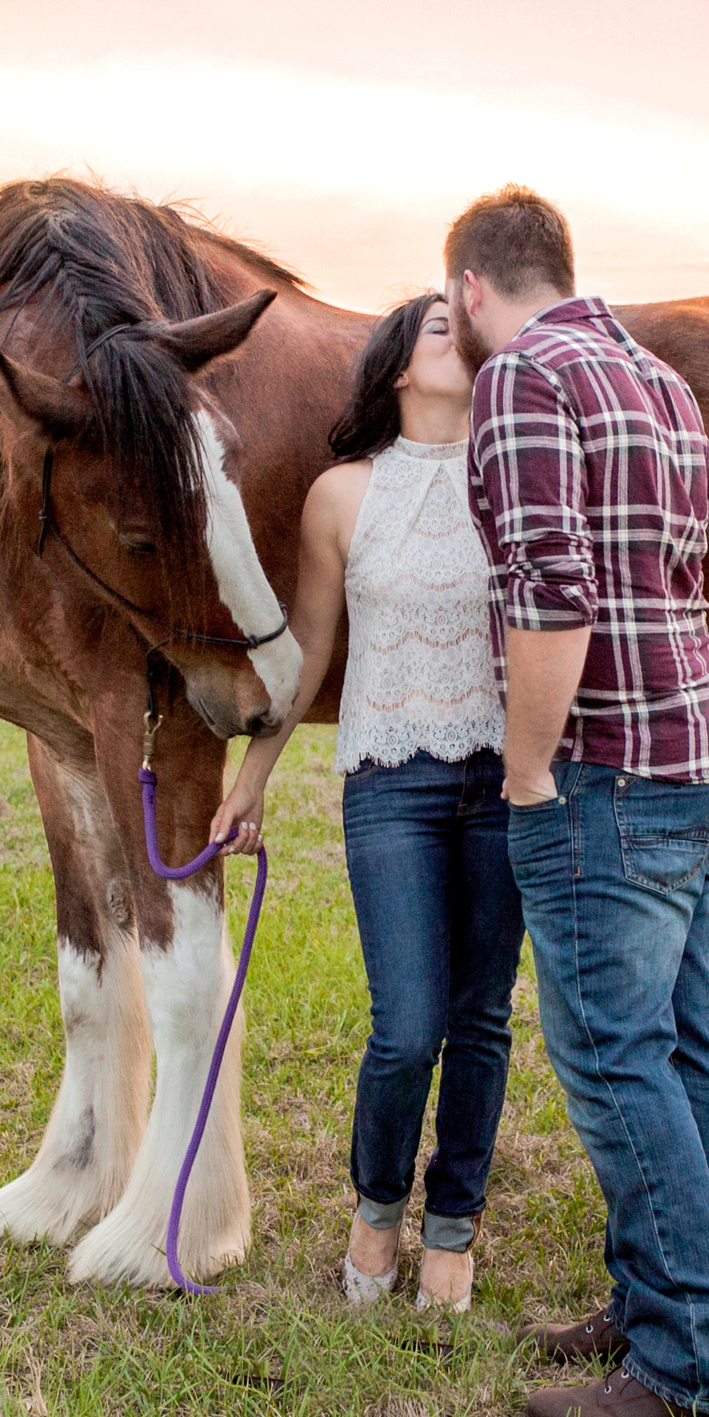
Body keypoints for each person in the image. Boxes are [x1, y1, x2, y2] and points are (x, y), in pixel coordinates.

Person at [451, 186, 709, 1417]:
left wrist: (527, 770)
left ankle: (691, 1359)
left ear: (470, 286)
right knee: (681, 1045)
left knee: (613, 1058)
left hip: (606, 771)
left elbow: (548, 591)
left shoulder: (524, 378)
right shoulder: (657, 378)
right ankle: (657, 1301)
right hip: (704, 749)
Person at [208, 291, 523, 1313]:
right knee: (407, 1025)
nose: (458, 338)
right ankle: (375, 1205)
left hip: (503, 782)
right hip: (390, 779)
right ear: (393, 365)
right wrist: (249, 780)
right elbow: (305, 651)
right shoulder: (341, 494)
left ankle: (453, 1222)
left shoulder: (516, 477)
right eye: (439, 327)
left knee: (480, 1020)